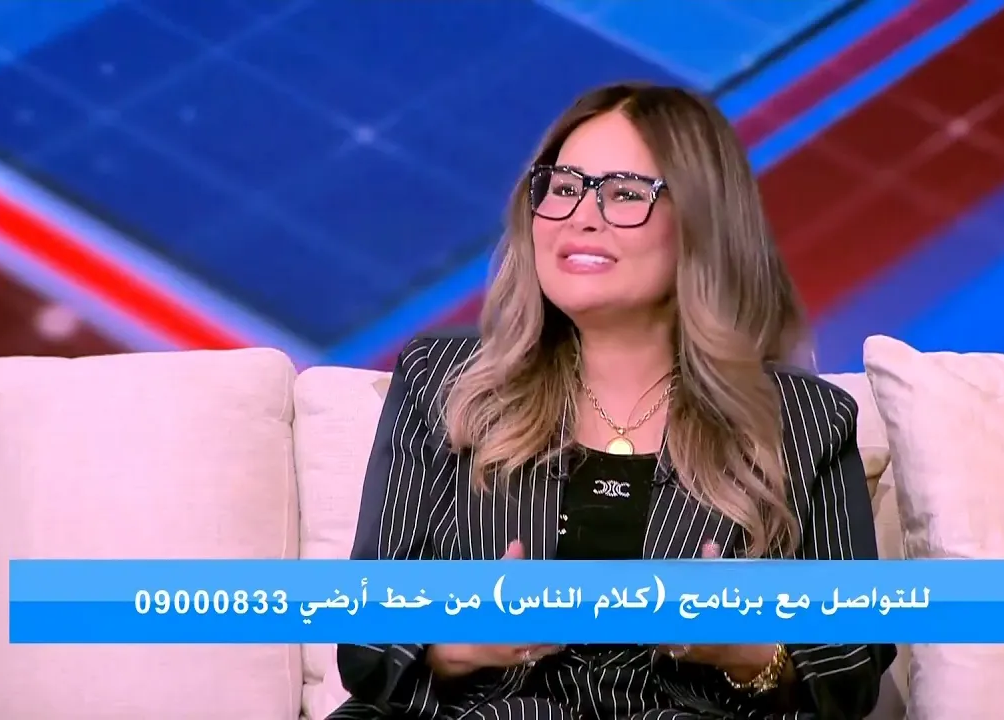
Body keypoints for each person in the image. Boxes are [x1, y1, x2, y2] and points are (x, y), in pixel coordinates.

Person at [332, 82, 894, 720]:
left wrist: (744, 649)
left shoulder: (805, 419)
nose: (581, 216)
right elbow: (366, 634)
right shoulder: (443, 380)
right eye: (563, 187)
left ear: (702, 224)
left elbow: (853, 664)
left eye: (625, 193)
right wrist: (463, 642)